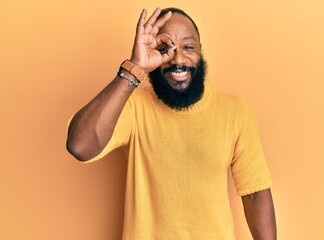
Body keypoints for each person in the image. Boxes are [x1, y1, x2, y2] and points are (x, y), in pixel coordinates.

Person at [66, 7, 276, 240]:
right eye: (164, 48)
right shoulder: (135, 107)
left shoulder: (235, 112)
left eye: (188, 47)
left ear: (200, 51)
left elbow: (255, 193)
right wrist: (135, 68)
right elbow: (80, 145)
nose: (178, 59)